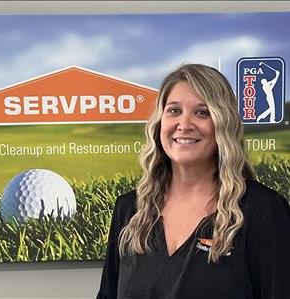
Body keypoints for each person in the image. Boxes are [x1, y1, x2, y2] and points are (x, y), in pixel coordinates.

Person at [96, 64, 290, 299]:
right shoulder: (129, 210)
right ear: (159, 123)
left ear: (223, 123)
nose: (184, 124)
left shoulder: (262, 210)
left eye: (202, 112)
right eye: (174, 111)